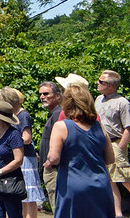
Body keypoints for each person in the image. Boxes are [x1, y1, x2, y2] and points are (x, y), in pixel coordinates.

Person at [44, 84, 115, 218]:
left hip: (73, 185)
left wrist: (48, 162)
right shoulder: (99, 127)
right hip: (100, 185)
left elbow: (54, 158)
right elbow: (110, 158)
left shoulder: (61, 126)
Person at [0, 87, 46, 218]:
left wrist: (10, 142)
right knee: (22, 195)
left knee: (29, 195)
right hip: (20, 156)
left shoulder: (23, 115)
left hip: (26, 158)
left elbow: (27, 138)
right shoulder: (14, 116)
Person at [0, 96, 27, 218]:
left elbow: (19, 160)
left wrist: (0, 172)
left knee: (14, 214)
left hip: (11, 183)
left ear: (0, 117)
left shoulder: (14, 134)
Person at [96, 70, 130, 217]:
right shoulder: (98, 99)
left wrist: (120, 147)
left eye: (101, 82)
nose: (97, 83)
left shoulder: (122, 102)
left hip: (116, 143)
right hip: (101, 144)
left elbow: (128, 127)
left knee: (124, 178)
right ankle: (118, 213)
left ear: (110, 85)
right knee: (110, 180)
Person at [37, 80, 63, 207]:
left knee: (57, 206)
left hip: (55, 169)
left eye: (46, 94)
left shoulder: (58, 114)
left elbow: (60, 142)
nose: (42, 97)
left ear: (58, 96)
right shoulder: (53, 114)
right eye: (41, 94)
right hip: (51, 168)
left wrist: (49, 162)